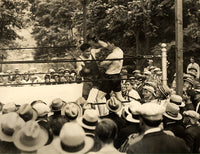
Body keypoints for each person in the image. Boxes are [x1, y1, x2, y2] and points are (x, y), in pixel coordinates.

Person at [87, 35, 126, 116]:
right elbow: (105, 45)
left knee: (99, 97)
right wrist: (97, 40)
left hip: (110, 77)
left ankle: (102, 116)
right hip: (117, 76)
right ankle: (129, 109)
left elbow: (102, 64)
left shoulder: (112, 55)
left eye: (109, 44)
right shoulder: (120, 51)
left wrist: (98, 60)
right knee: (120, 97)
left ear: (112, 44)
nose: (107, 46)